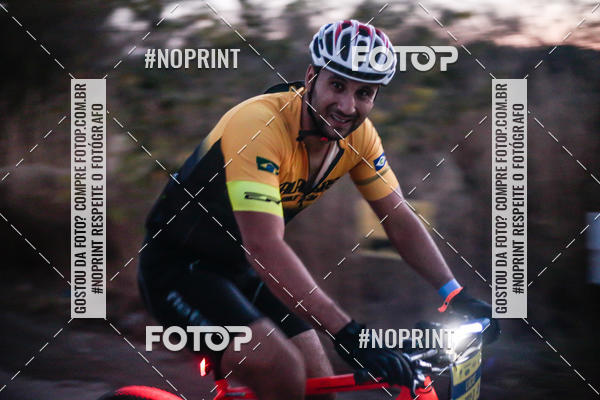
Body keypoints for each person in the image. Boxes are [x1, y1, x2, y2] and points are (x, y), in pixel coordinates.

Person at [138, 19, 499, 400]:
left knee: (319, 383)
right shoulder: (259, 125)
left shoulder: (359, 137)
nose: (347, 106)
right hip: (176, 269)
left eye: (364, 93)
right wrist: (348, 333)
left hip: (239, 271)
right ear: (312, 76)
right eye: (337, 85)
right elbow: (263, 245)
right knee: (281, 367)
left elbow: (396, 217)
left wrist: (453, 292)